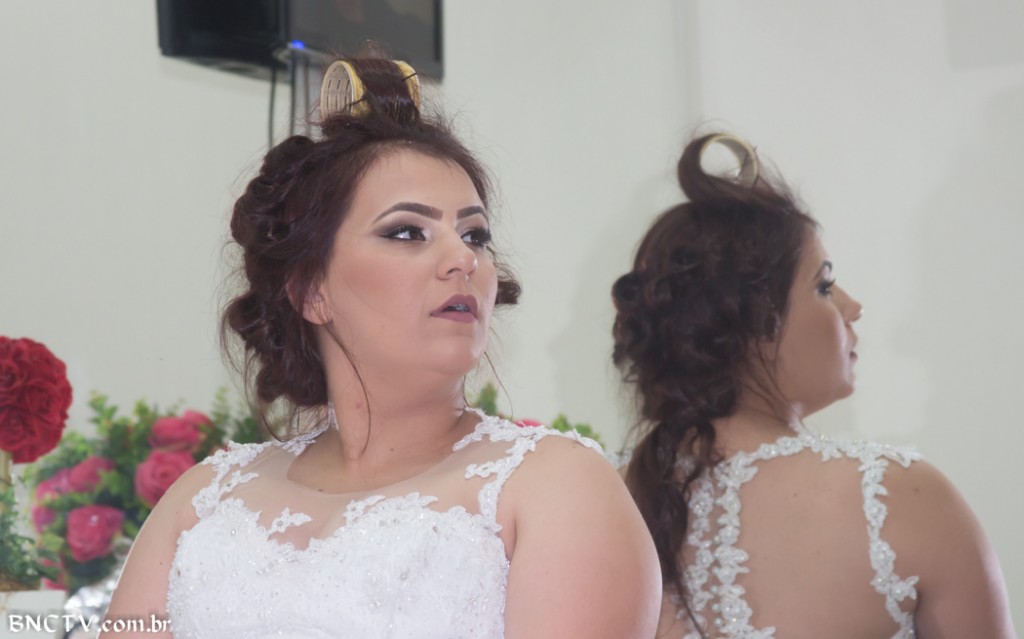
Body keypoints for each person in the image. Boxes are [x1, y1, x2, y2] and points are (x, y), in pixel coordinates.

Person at [102, 57, 660, 638]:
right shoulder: (205, 500)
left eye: (474, 235)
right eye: (407, 232)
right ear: (311, 290)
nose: (463, 259)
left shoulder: (554, 486)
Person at [611, 133, 1016, 638]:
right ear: (756, 323)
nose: (853, 307)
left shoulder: (607, 501)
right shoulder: (903, 498)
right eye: (824, 286)